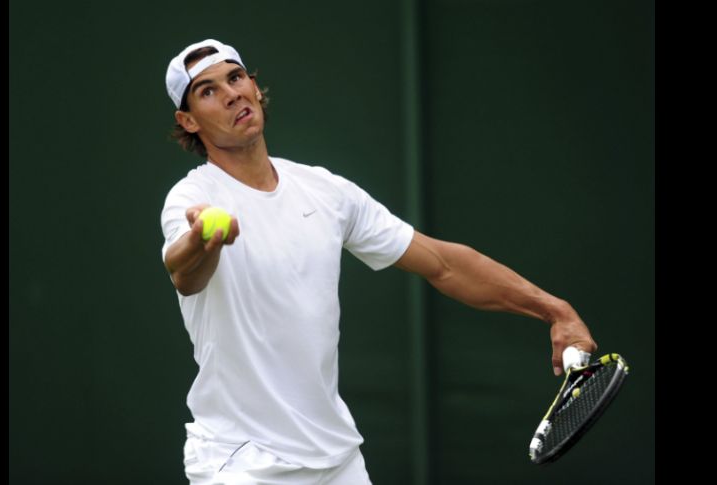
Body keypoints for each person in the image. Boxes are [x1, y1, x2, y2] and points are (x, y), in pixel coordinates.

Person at [160, 38, 597, 485]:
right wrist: (203, 239)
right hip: (241, 463)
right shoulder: (193, 198)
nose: (231, 94)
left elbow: (444, 264)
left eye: (236, 78)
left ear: (253, 86)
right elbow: (184, 274)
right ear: (188, 121)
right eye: (208, 91)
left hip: (337, 461)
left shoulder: (325, 191)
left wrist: (554, 309)